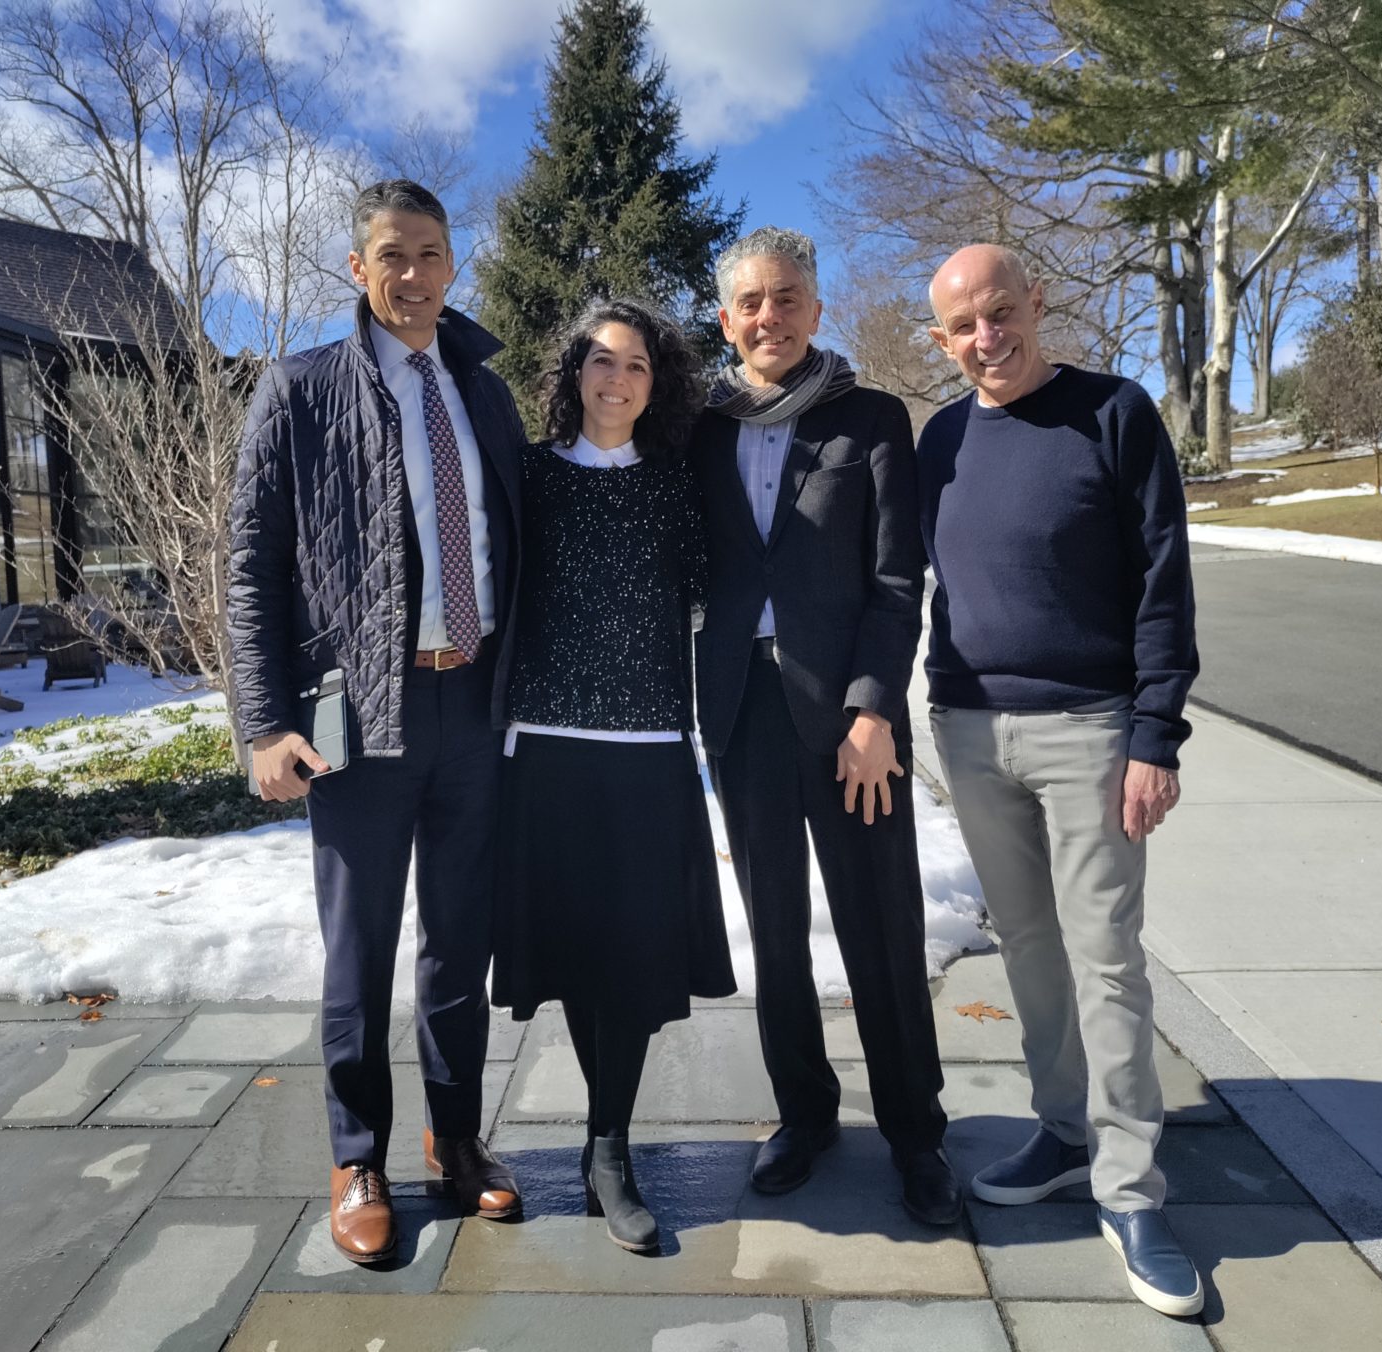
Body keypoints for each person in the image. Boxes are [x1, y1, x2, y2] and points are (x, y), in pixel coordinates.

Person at [227, 179, 525, 1266]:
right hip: (360, 714)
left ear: (455, 264)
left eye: (431, 253)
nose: (412, 274)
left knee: (460, 943)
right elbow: (252, 567)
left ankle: (455, 1138)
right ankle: (359, 1155)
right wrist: (264, 722)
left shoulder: (484, 393)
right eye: (390, 255)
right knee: (360, 949)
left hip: (473, 700)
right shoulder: (300, 389)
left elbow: (511, 542)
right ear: (359, 269)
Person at [917, 243, 1202, 1317]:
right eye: (964, 326)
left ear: (1037, 303)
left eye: (1002, 313)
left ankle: (1132, 1189)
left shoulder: (1115, 414)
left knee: (1107, 954)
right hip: (972, 731)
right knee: (1028, 942)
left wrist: (1154, 734)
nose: (988, 338)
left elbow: (1164, 583)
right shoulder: (939, 437)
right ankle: (1066, 1126)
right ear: (941, 339)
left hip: (1091, 729)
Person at [690, 226, 960, 1225]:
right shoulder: (702, 429)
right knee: (776, 933)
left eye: (788, 297)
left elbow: (898, 581)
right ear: (728, 319)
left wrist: (874, 707)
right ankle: (804, 1112)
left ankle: (916, 1130)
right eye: (751, 302)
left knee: (881, 927)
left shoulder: (873, 419)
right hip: (742, 714)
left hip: (850, 720)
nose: (770, 316)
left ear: (816, 306)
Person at [491, 297, 735, 1254]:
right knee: (575, 952)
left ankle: (610, 1147)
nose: (617, 379)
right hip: (545, 751)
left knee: (630, 959)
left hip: (646, 755)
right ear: (573, 375)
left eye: (636, 365)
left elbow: (732, 589)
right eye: (600, 361)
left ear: (656, 382)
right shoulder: (530, 478)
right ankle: (602, 1145)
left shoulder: (679, 486)